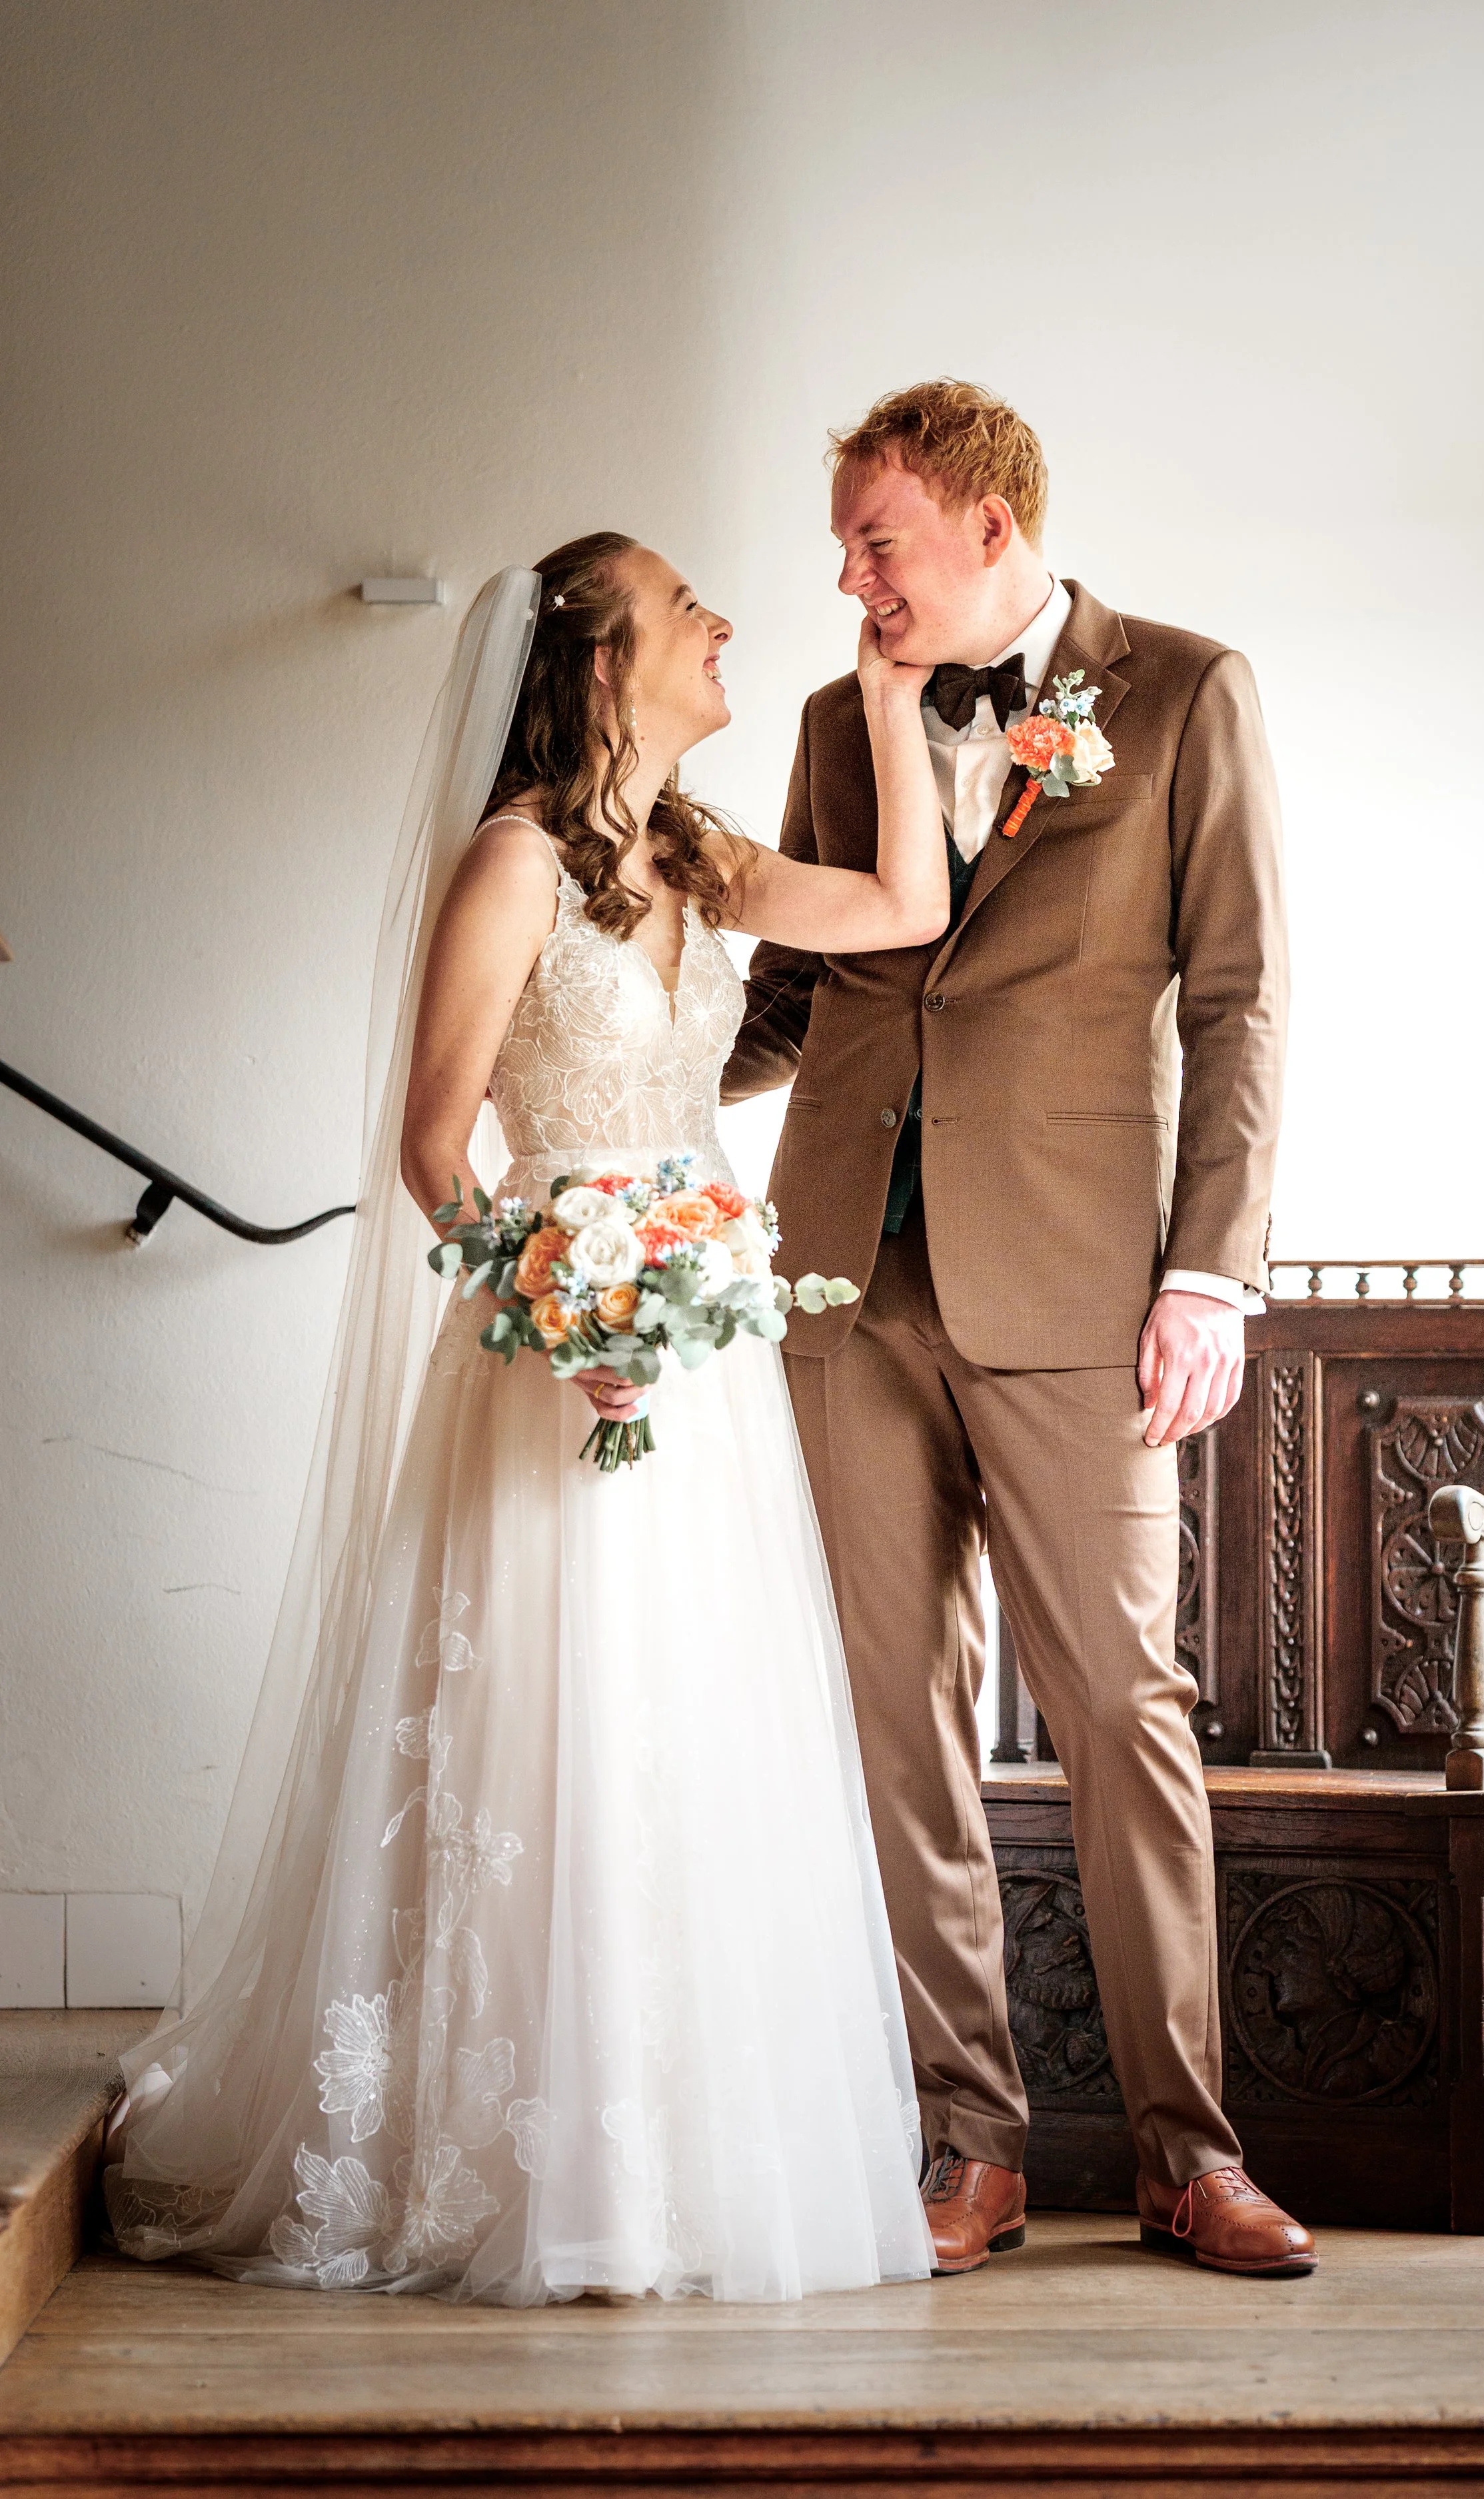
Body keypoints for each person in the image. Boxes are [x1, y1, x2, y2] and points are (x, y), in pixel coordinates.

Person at [103, 532, 948, 2304]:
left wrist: (886, 701)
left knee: (693, 1719)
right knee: (542, 1723)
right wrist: (560, 1308)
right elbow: (433, 1139)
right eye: (683, 606)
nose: (721, 623)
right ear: (599, 660)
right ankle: (515, 2155)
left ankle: (679, 2153)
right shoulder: (508, 870)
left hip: (700, 1359)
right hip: (557, 1345)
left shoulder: (700, 860)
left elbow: (900, 907)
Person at [722, 382, 1316, 2278]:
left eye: (874, 539)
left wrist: (1208, 1271)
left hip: (1076, 1291)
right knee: (894, 1722)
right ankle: (963, 2139)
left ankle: (1184, 2153)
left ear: (988, 521)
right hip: (844, 1282)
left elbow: (1237, 1002)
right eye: (839, 546)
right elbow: (796, 989)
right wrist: (597, 1070)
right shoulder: (835, 721)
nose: (846, 579)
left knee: (1118, 1714)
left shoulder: (1185, 691)